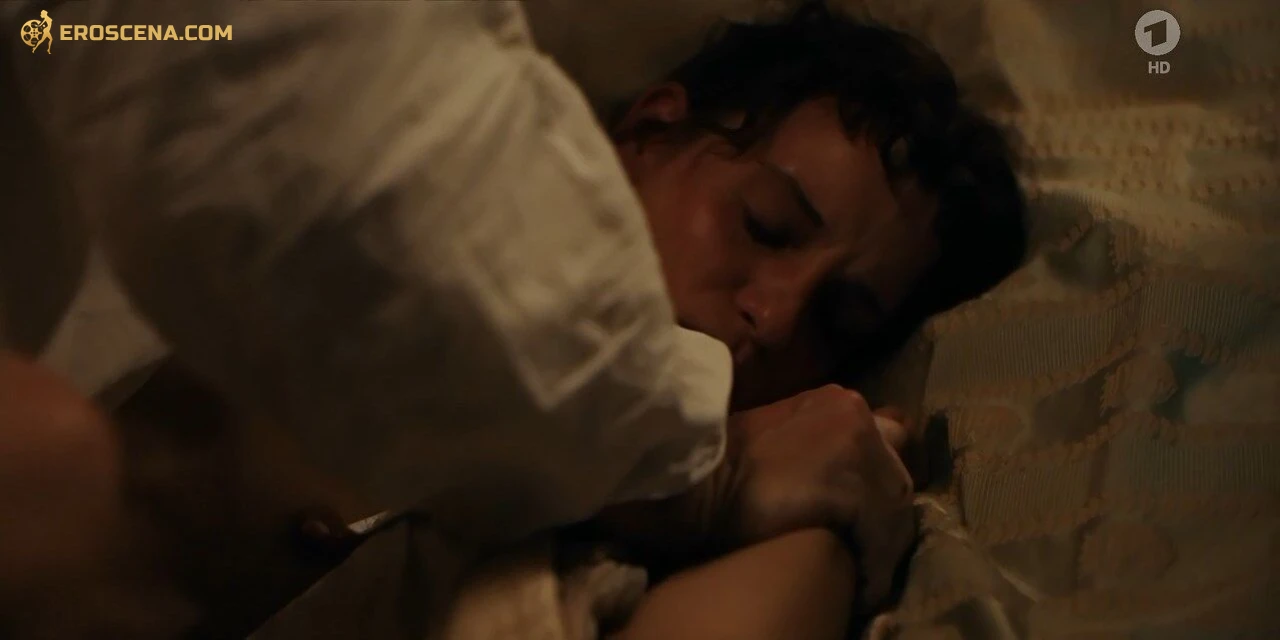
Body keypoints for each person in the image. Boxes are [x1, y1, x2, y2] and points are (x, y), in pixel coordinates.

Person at [0, 2, 1024, 638]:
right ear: (648, 131)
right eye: (764, 225)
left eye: (838, 320)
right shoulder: (327, 217)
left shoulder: (764, 505)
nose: (774, 311)